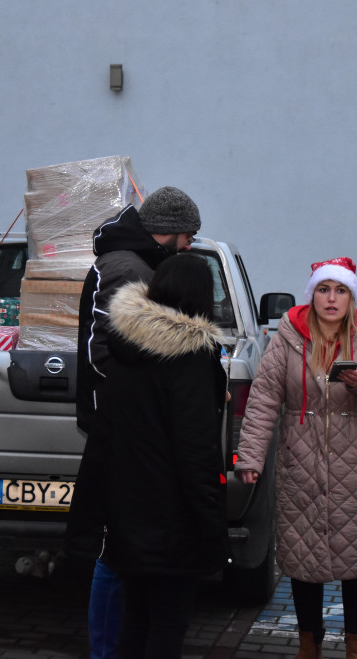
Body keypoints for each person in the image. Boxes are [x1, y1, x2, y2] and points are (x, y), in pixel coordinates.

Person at [235, 257, 357, 659]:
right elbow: (262, 400)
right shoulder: (288, 338)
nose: (331, 298)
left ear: (351, 298)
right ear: (313, 294)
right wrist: (251, 457)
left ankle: (355, 648)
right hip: (301, 465)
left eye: (340, 290)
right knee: (302, 559)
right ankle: (308, 644)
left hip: (354, 469)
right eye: (324, 289)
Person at [66, 186, 202, 659]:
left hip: (125, 425)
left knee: (125, 548)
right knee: (115, 550)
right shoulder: (128, 267)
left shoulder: (138, 262)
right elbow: (105, 351)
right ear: (170, 230)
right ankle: (106, 651)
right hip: (121, 427)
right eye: (188, 237)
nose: (188, 247)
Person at [98, 253, 230, 658]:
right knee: (168, 626)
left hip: (127, 512)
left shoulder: (123, 346)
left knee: (134, 619)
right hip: (174, 519)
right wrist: (212, 524)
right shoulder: (190, 357)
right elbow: (196, 449)